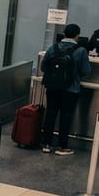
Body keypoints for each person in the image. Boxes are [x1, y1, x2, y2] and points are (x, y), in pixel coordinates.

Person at [40, 23, 92, 156]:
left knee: (50, 114)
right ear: (77, 36)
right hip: (71, 89)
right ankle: (62, 147)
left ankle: (46, 144)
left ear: (64, 34)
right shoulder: (80, 51)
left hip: (52, 87)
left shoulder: (53, 47)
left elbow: (43, 67)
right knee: (66, 116)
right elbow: (86, 70)